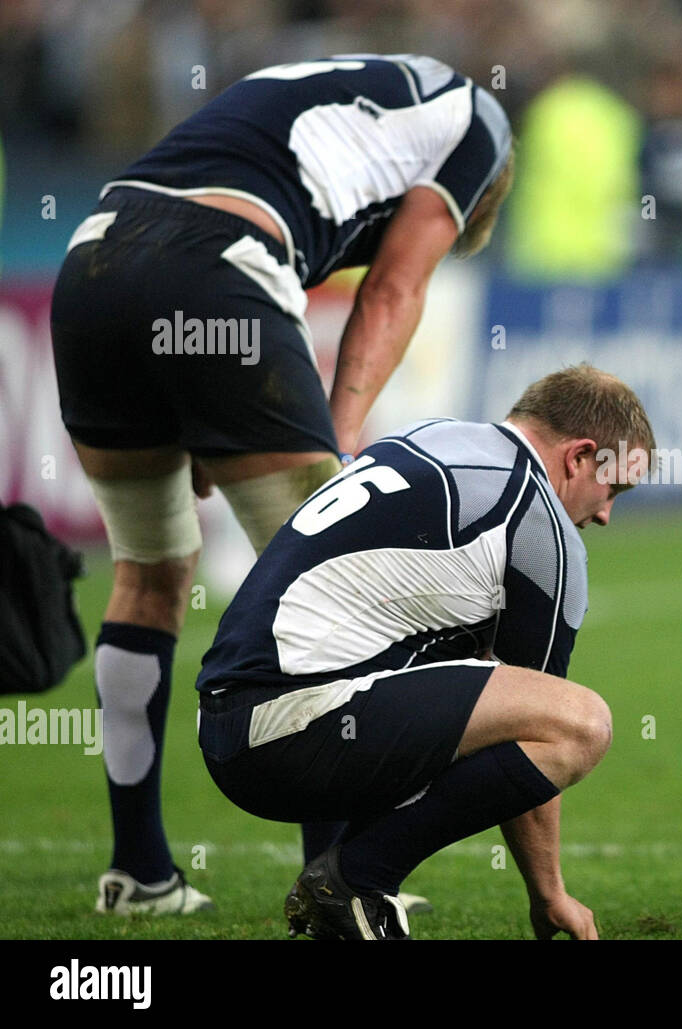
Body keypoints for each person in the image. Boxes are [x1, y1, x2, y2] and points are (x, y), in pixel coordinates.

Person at [49, 53, 514, 915]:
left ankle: (141, 873)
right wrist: (340, 446)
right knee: (332, 592)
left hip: (93, 261)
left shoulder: (331, 89)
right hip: (220, 258)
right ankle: (339, 877)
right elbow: (393, 289)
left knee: (148, 573)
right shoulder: (480, 125)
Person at [195, 365, 654, 940]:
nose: (606, 514)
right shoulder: (538, 521)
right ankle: (356, 880)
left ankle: (343, 889)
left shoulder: (429, 435)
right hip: (289, 731)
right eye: (613, 489)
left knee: (412, 663)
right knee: (582, 723)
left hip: (225, 726)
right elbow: (540, 719)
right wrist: (549, 893)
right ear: (580, 456)